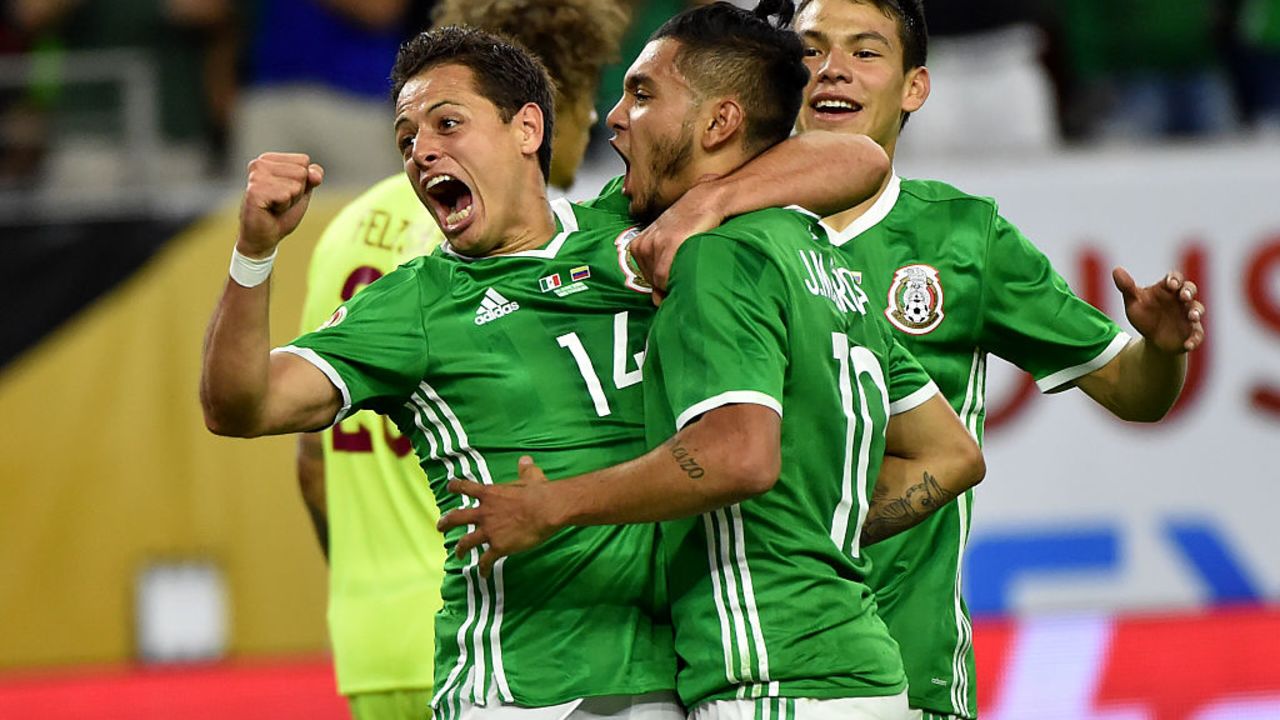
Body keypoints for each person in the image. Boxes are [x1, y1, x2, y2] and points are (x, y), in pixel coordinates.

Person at [201, 22, 892, 718]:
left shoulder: (629, 229)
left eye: (447, 123)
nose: (422, 152)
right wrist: (254, 254)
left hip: (666, 677)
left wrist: (709, 203)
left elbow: (859, 159)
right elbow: (241, 406)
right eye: (406, 139)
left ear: (527, 128)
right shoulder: (413, 302)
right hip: (520, 687)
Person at [437, 4, 984, 719]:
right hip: (862, 667)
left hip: (770, 678)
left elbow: (739, 459)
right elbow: (952, 452)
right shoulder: (823, 257)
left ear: (719, 122)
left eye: (642, 93)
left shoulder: (714, 257)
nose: (613, 117)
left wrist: (556, 505)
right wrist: (818, 532)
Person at [778, 1, 1206, 718]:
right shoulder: (720, 231)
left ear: (915, 87)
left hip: (909, 675)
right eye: (811, 49)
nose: (833, 69)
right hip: (746, 668)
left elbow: (1134, 392)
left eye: (865, 52)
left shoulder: (963, 239)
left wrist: (1160, 352)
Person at [293, 3, 633, 718]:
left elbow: (313, 460)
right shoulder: (486, 242)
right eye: (583, 97)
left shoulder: (342, 231)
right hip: (494, 623)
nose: (595, 121)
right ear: (533, 112)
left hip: (370, 633)